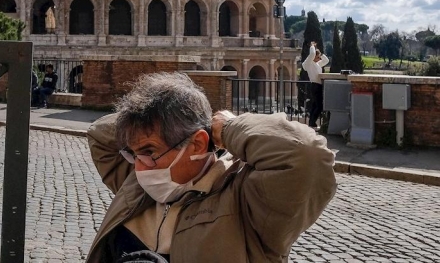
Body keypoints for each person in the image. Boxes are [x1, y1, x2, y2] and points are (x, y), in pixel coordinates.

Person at [86, 72, 336, 262]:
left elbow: (306, 156)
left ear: (197, 144)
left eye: (149, 152)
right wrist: (146, 115)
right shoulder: (140, 185)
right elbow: (99, 134)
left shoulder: (246, 200)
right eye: (133, 154)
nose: (140, 168)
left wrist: (230, 128)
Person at [302, 42, 330, 127]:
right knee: (319, 105)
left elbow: (326, 60)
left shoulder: (317, 64)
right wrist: (312, 46)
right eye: (317, 57)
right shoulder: (309, 63)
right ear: (313, 57)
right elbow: (312, 53)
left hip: (318, 85)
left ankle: (312, 122)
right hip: (314, 85)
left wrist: (320, 54)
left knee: (315, 105)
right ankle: (312, 122)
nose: (319, 59)